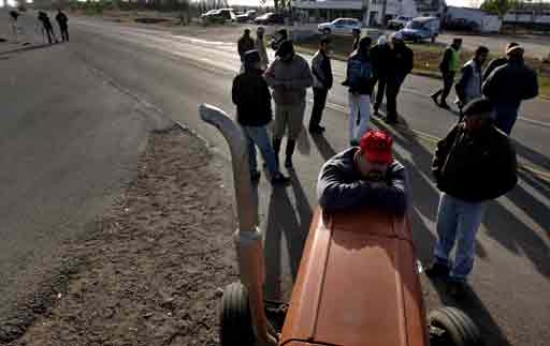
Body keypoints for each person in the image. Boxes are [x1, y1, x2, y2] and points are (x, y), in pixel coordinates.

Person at [426, 98, 518, 297]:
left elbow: (509, 178)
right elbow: (441, 148)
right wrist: (438, 173)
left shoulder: (500, 142)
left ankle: (458, 278)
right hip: (448, 192)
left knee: (465, 240)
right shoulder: (460, 130)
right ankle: (441, 262)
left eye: (468, 118)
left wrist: (484, 194)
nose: (464, 121)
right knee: (443, 229)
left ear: (482, 120)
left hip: (472, 201)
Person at [232, 50, 290, 185]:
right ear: (254, 64)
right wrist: (268, 119)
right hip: (256, 122)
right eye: (258, 61)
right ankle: (275, 175)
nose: (261, 63)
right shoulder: (259, 80)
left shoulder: (239, 79)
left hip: (243, 120)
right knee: (266, 149)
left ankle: (252, 172)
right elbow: (265, 101)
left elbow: (235, 100)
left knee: (249, 147)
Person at [317, 130, 408, 215]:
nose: (378, 168)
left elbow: (402, 202)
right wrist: (370, 187)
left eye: (383, 162)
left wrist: (351, 195)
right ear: (360, 154)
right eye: (374, 161)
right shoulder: (336, 166)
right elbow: (327, 198)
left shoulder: (395, 168)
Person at [265, 40, 313, 168]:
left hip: (296, 104)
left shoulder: (301, 63)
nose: (281, 57)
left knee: (293, 132)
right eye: (279, 55)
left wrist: (291, 84)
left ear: (290, 53)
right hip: (280, 103)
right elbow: (267, 76)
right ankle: (274, 156)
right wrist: (275, 83)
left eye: (283, 55)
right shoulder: (277, 62)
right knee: (278, 131)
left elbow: (309, 81)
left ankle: (288, 158)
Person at [482, 45, 538, 135]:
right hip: (513, 106)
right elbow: (534, 92)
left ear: (510, 56)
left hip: (496, 105)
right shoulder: (529, 72)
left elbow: (485, 88)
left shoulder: (500, 70)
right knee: (504, 134)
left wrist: (492, 98)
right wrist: (520, 96)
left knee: (488, 131)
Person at [343, 37, 374, 146]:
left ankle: (351, 137)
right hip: (363, 90)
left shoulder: (352, 56)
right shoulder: (367, 58)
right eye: (370, 45)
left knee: (353, 114)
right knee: (365, 116)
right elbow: (366, 76)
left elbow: (348, 73)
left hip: (351, 88)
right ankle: (359, 138)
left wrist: (353, 86)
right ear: (367, 45)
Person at [385, 32, 413, 124]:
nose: (392, 41)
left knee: (391, 96)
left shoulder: (403, 51)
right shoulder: (394, 49)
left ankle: (391, 117)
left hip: (396, 77)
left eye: (393, 40)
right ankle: (391, 115)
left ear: (398, 40)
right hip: (392, 76)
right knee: (390, 96)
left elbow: (408, 66)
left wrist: (400, 74)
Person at [454, 46, 489, 115]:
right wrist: (462, 100)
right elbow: (458, 85)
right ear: (477, 55)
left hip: (475, 100)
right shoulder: (469, 66)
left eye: (486, 56)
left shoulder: (479, 67)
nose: (485, 58)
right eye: (483, 56)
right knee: (465, 123)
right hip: (467, 101)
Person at [309, 37, 333, 134]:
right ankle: (313, 127)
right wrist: (324, 82)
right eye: (325, 45)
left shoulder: (324, 55)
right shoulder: (318, 56)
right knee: (317, 107)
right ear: (321, 45)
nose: (327, 47)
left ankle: (316, 125)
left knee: (320, 107)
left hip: (323, 85)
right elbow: (317, 72)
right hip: (319, 86)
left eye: (328, 45)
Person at [431, 38, 462, 109]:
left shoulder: (456, 50)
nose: (460, 44)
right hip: (448, 71)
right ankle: (442, 102)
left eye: (460, 43)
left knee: (447, 87)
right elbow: (445, 61)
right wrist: (447, 72)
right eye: (459, 43)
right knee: (447, 87)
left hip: (452, 71)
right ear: (455, 43)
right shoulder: (449, 50)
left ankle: (435, 95)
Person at [369, 35, 391, 116]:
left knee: (378, 90)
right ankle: (372, 107)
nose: (381, 47)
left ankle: (375, 106)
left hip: (381, 73)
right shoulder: (374, 50)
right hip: (378, 73)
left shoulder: (386, 49)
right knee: (373, 90)